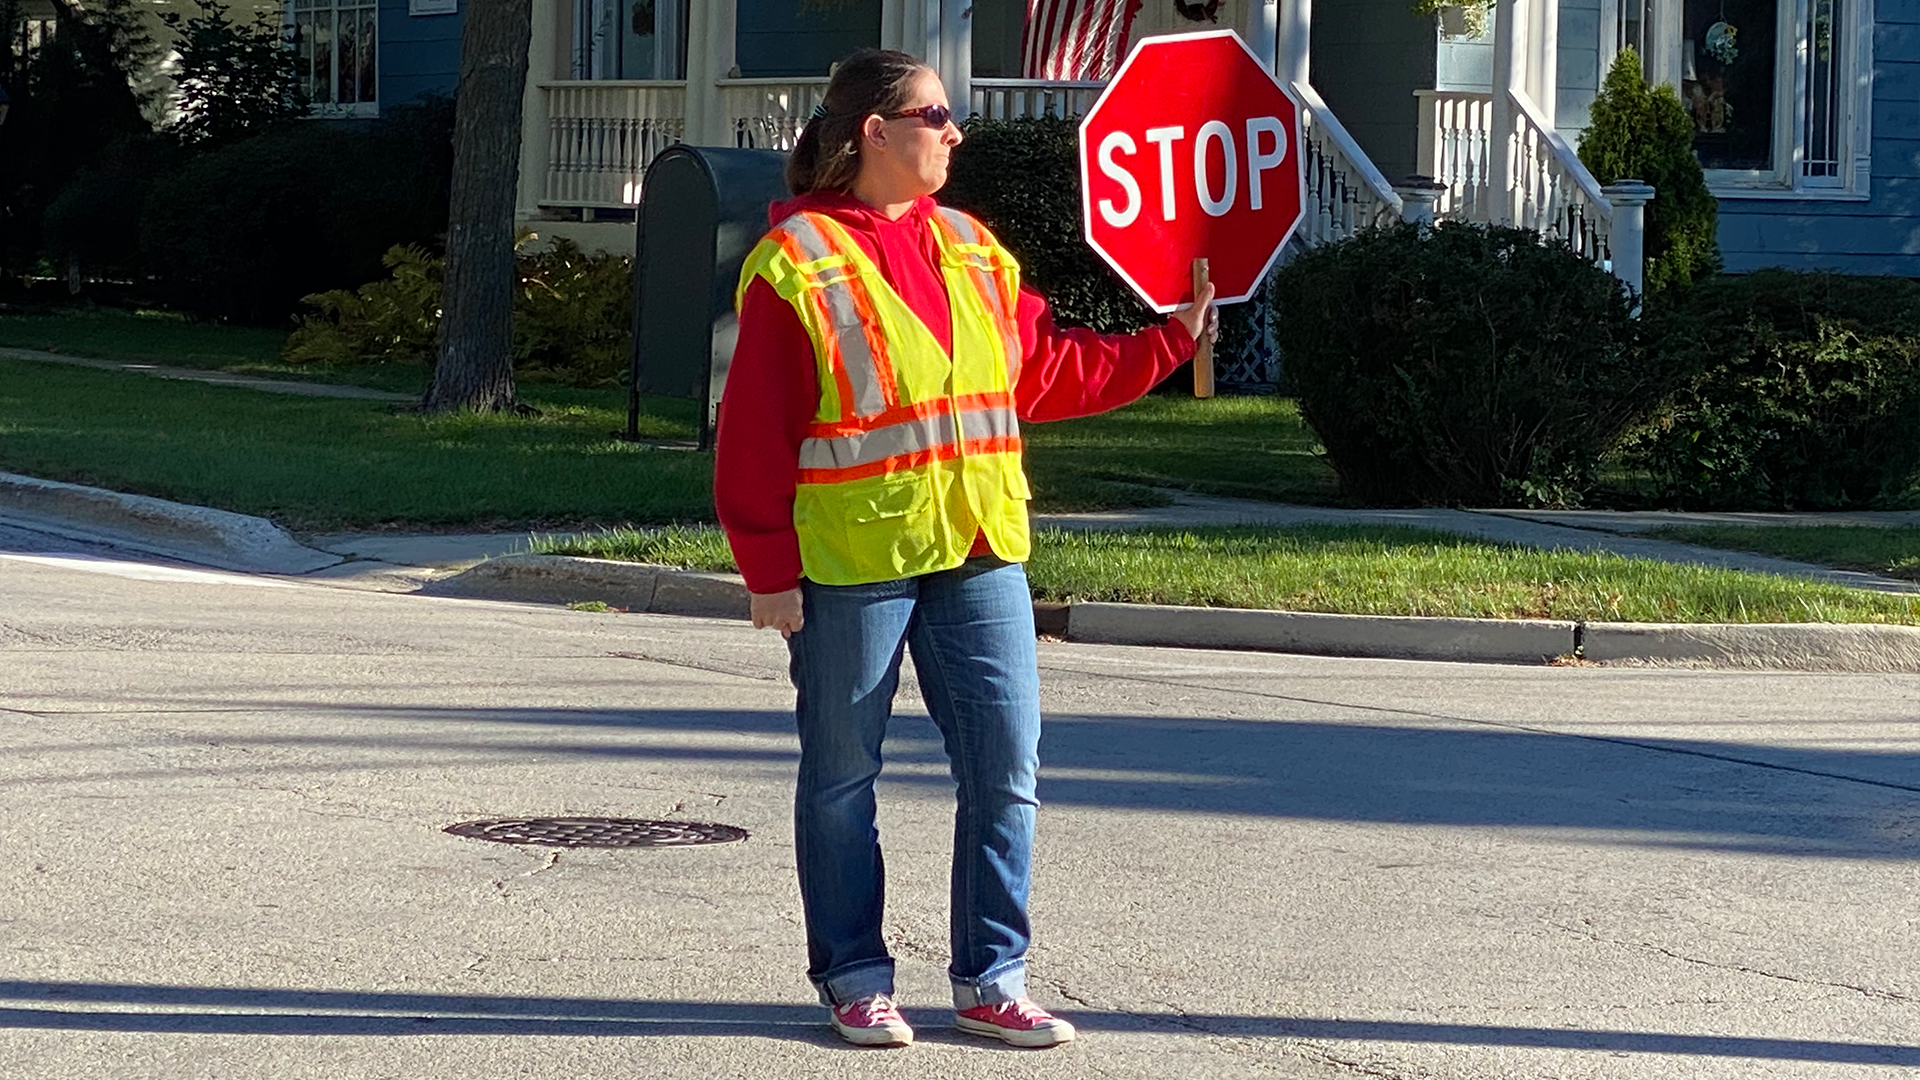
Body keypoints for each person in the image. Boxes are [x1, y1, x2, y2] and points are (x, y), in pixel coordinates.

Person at [714, 48, 1215, 1050]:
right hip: (854, 561)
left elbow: (1043, 374)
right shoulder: (799, 261)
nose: (955, 131)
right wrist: (768, 574)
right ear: (875, 132)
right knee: (843, 778)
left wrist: (1167, 342)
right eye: (936, 114)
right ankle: (855, 979)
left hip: (981, 547)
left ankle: (992, 980)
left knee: (1007, 769)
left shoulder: (974, 249)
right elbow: (753, 436)